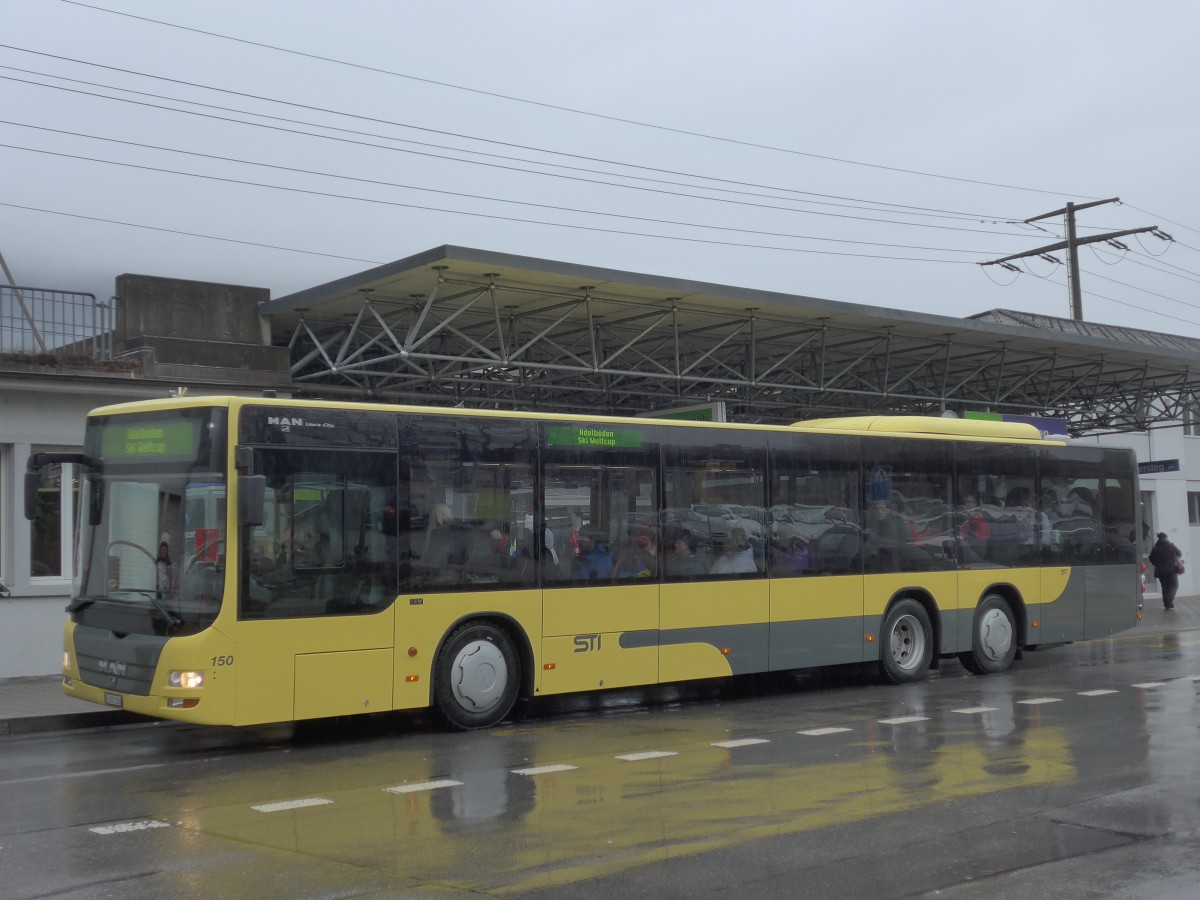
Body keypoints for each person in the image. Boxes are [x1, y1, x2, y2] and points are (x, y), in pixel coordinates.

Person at [1148, 531, 1183, 609]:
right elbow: (1179, 554)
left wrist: (1157, 564)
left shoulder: (1155, 548)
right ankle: (1169, 600)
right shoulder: (1171, 545)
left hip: (1160, 571)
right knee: (1174, 585)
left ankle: (1167, 604)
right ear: (1166, 538)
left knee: (1165, 587)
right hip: (1171, 570)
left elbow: (1151, 558)